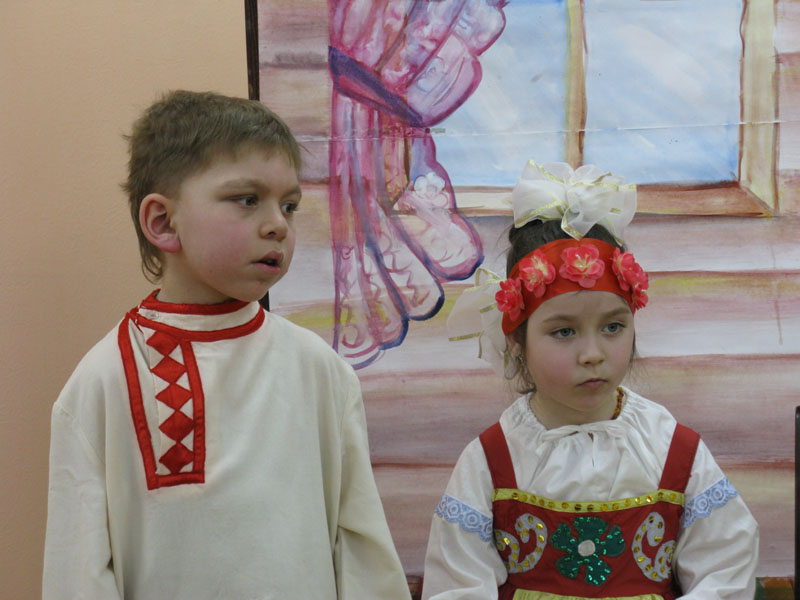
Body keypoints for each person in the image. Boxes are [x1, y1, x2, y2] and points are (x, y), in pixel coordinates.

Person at [42, 90, 412, 600]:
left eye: (288, 205)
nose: (277, 224)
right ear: (163, 222)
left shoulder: (320, 371)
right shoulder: (102, 381)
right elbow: (77, 572)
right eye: (247, 199)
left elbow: (362, 553)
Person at [421, 161, 759, 599]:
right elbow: (458, 586)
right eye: (564, 332)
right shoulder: (491, 459)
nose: (593, 353)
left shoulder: (672, 448)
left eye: (613, 327)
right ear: (517, 340)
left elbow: (725, 570)